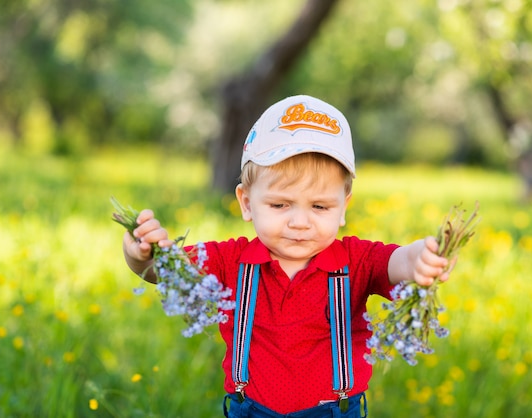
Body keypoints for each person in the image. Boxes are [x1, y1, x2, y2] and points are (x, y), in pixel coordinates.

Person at [122, 95, 454, 417]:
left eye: (320, 207)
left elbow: (399, 264)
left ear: (343, 208)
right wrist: (143, 254)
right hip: (251, 410)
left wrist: (422, 259)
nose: (299, 222)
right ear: (247, 202)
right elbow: (163, 271)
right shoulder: (229, 260)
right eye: (280, 205)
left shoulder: (357, 260)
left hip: (335, 412)